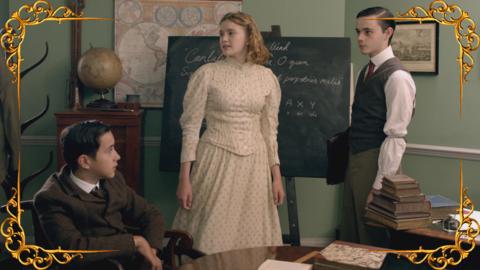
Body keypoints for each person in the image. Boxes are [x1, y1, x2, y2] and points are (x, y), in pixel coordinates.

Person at [172, 11, 285, 254]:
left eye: (231, 33)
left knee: (252, 236)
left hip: (255, 164)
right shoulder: (207, 74)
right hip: (216, 158)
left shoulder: (267, 78)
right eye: (221, 34)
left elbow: (269, 130)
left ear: (248, 37)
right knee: (211, 234)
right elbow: (190, 127)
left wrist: (276, 175)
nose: (224, 39)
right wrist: (185, 178)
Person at [34, 120, 164, 270]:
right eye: (110, 150)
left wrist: (151, 253)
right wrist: (135, 242)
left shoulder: (113, 179)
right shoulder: (51, 197)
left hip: (131, 263)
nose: (118, 156)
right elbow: (74, 249)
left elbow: (150, 214)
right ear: (85, 161)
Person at [340, 7, 416, 247]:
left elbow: (396, 136)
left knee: (372, 236)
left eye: (367, 32)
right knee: (353, 233)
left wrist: (379, 184)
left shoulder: (398, 77)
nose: (360, 38)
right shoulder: (367, 70)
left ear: (388, 33)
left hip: (376, 162)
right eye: (358, 31)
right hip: (357, 159)